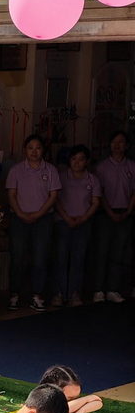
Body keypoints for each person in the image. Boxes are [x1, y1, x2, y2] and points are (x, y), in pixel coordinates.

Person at [6, 134, 61, 311]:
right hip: (18, 218)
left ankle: (37, 295)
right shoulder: (16, 170)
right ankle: (14, 294)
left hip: (43, 219)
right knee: (18, 257)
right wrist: (20, 213)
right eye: (30, 148)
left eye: (38, 148)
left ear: (43, 150)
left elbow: (53, 196)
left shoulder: (51, 170)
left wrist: (38, 214)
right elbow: (11, 194)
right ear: (25, 150)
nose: (34, 151)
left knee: (40, 257)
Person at [52, 145, 101, 307]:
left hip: (83, 223)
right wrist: (66, 218)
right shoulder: (61, 177)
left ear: (87, 161)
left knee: (78, 259)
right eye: (74, 159)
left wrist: (83, 218)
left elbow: (95, 202)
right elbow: (55, 199)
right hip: (62, 222)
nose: (77, 162)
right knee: (61, 258)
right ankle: (59, 293)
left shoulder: (92, 179)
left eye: (81, 159)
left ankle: (74, 293)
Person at [91, 130, 134, 303]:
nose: (117, 145)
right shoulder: (101, 167)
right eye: (114, 142)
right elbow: (98, 193)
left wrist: (128, 211)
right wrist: (109, 212)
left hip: (125, 212)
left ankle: (113, 289)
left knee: (119, 252)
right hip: (105, 213)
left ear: (127, 145)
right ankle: (98, 289)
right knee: (102, 251)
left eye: (121, 142)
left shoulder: (132, 166)